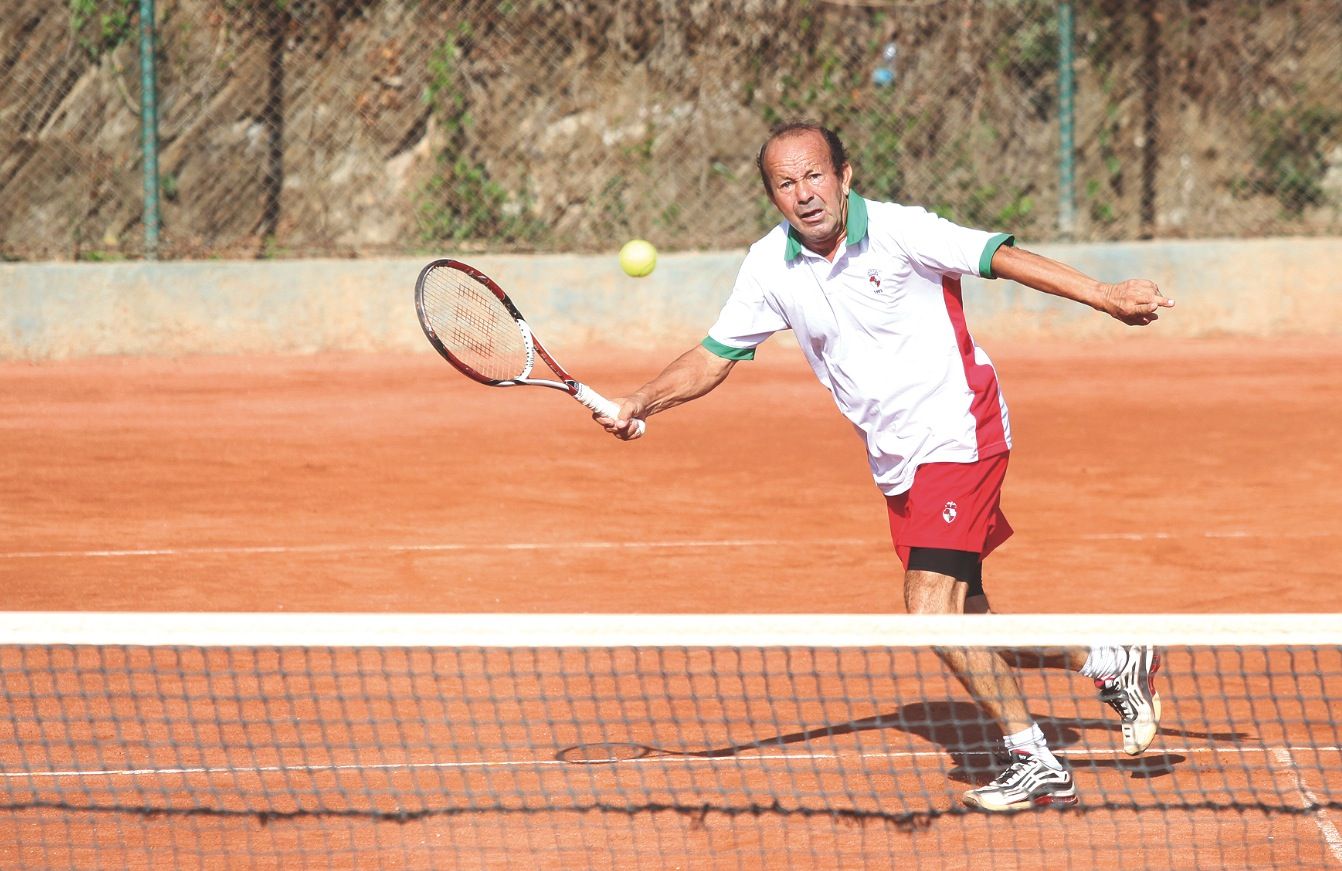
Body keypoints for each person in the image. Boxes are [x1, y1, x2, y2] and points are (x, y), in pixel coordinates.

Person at [595, 121, 1170, 813]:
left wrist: (1104, 295)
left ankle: (1033, 756)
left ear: (845, 174)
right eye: (786, 184)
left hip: (959, 430)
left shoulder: (903, 231)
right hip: (897, 457)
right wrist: (642, 400)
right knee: (976, 624)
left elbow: (999, 255)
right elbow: (713, 353)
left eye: (814, 176)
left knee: (928, 608)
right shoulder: (768, 266)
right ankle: (1111, 659)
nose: (804, 194)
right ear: (772, 195)